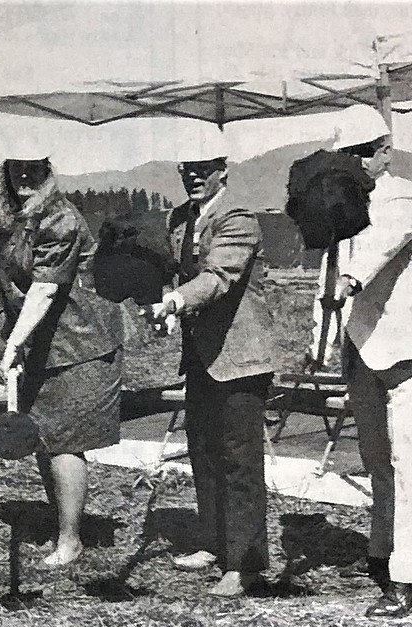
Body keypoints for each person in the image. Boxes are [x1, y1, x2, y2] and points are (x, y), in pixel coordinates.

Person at [322, 104, 412, 618]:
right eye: (345, 155)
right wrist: (325, 335)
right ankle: (382, 552)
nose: (353, 164)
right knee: (376, 459)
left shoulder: (404, 195)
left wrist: (349, 282)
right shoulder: (342, 202)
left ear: (384, 152)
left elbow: (378, 245)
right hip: (364, 346)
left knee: (411, 461)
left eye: (360, 155)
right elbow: (330, 269)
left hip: (410, 349)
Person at [145, 132, 278, 597]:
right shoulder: (181, 218)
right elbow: (175, 275)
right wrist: (163, 303)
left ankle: (244, 566)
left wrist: (177, 301)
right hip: (202, 358)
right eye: (187, 168)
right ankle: (214, 542)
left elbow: (219, 276)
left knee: (240, 462)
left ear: (223, 167)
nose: (194, 176)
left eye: (203, 166)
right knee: (203, 452)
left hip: (240, 360)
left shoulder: (238, 217)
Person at [0, 151, 124, 567]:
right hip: (40, 344)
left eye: (34, 167)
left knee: (66, 442)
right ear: (4, 171)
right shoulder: (6, 216)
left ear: (48, 171)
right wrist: (11, 332)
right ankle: (63, 528)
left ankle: (70, 541)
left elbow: (45, 289)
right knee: (45, 438)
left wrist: (12, 344)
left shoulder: (60, 219)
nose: (24, 174)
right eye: (15, 167)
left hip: (80, 347)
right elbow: (11, 282)